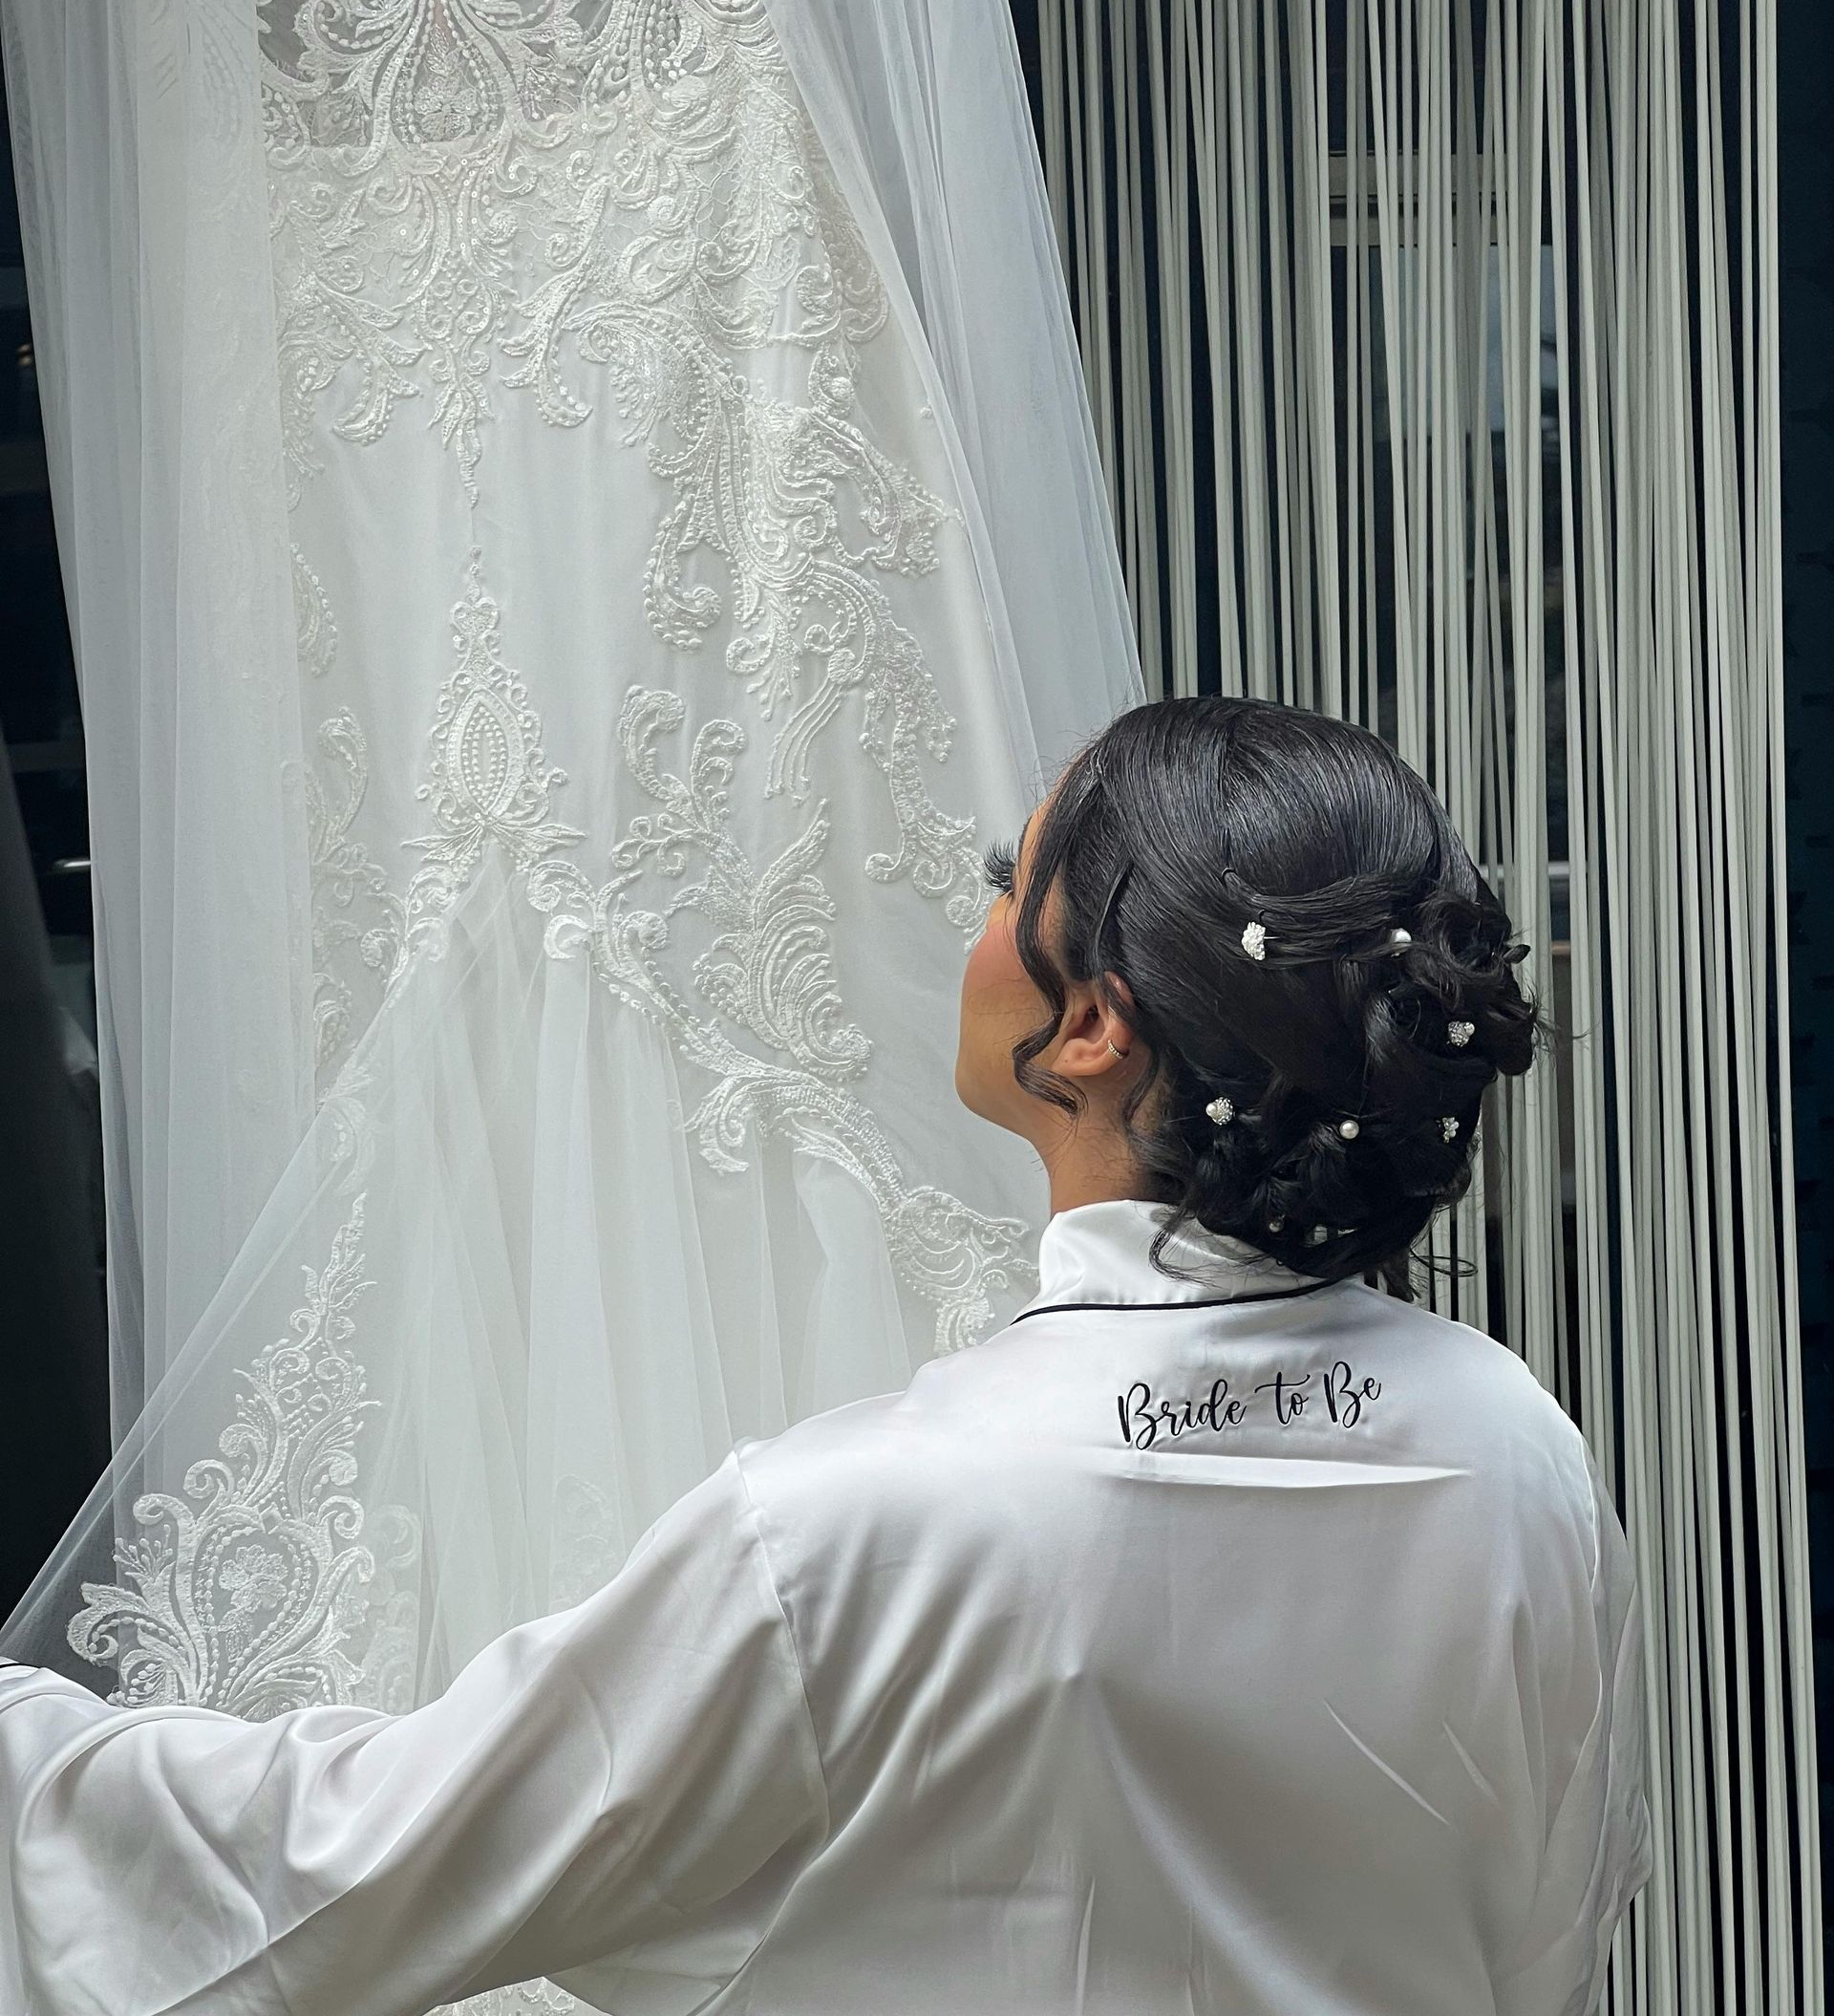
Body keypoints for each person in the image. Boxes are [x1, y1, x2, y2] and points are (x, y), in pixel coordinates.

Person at [0, 695, 1653, 2015]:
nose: (979, 922)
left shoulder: (851, 1531)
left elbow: (346, 1876)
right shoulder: (1521, 1449)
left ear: (1091, 1026)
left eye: (1006, 882)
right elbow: (1550, 1938)